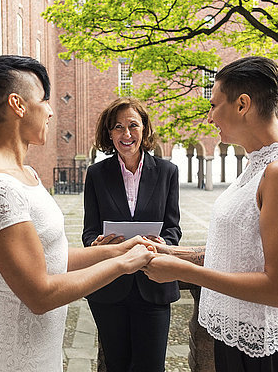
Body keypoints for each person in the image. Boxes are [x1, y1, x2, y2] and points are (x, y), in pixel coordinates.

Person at [0, 55, 156, 372]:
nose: (51, 110)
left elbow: (52, 258)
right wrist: (123, 264)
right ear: (18, 104)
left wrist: (114, 251)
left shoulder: (24, 173)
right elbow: (39, 294)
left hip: (42, 349)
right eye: (43, 99)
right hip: (15, 356)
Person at [143, 56, 278, 371]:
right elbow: (236, 252)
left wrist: (179, 271)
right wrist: (168, 251)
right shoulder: (255, 165)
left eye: (214, 105)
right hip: (234, 343)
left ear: (242, 105)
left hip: (269, 353)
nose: (210, 117)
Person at [83, 97, 182, 371]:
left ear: (145, 129)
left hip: (154, 283)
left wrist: (164, 242)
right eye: (118, 127)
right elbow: (89, 230)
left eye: (133, 126)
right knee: (117, 365)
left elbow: (173, 227)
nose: (126, 134)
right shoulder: (96, 174)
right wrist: (97, 242)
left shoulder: (167, 172)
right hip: (110, 286)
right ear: (109, 133)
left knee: (152, 366)